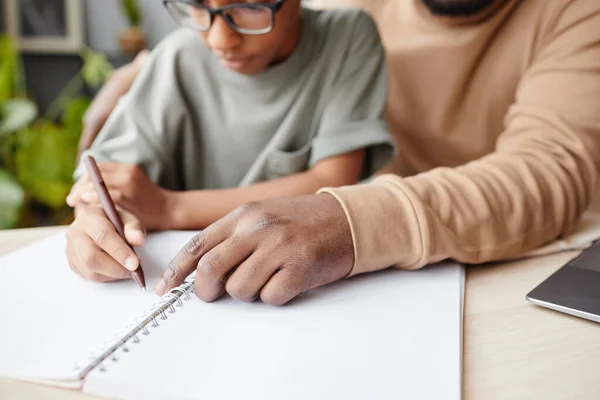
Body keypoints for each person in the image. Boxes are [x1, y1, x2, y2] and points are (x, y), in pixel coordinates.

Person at [77, 0, 600, 307]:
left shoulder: (577, 14)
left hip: (477, 264)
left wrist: (349, 219)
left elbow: (550, 170)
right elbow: (225, 31)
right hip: (332, 261)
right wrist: (134, 78)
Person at [65, 0, 395, 282]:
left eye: (250, 7)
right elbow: (99, 184)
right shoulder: (177, 58)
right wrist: (91, 217)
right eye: (198, 6)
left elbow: (333, 180)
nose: (221, 39)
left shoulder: (347, 37)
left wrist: (169, 208)